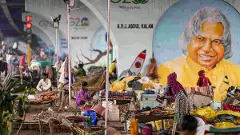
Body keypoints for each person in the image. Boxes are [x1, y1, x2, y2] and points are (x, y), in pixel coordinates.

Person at [158, 8, 240, 102]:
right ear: (188, 39)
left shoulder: (237, 73)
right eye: (200, 38)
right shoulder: (167, 70)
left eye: (216, 41)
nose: (207, 48)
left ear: (225, 45)